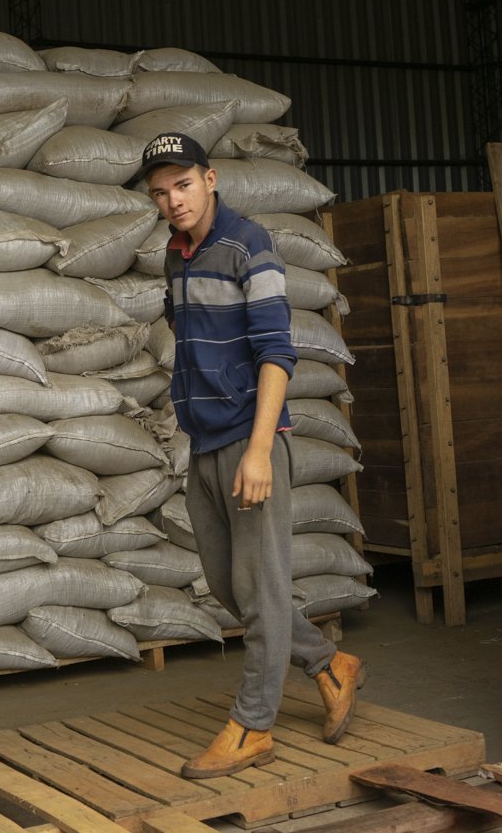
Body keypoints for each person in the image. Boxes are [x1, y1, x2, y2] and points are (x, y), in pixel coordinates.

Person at [140, 131, 367, 780]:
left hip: (251, 441)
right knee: (228, 584)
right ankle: (329, 663)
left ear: (210, 180)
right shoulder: (176, 258)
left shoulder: (250, 246)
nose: (173, 200)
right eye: (161, 192)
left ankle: (253, 725)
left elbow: (277, 353)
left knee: (261, 590)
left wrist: (261, 450)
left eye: (182, 185)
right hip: (205, 441)